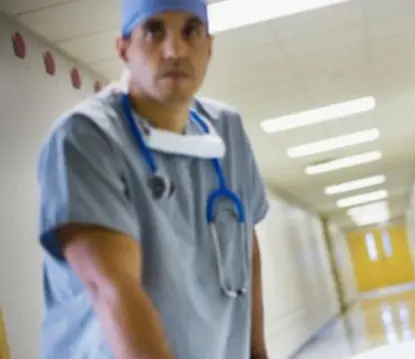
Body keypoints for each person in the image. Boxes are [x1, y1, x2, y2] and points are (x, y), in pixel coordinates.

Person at [36, 1, 270, 358]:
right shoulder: (86, 138)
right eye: (154, 31)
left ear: (209, 46)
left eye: (191, 31)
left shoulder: (227, 132)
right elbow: (112, 288)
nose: (174, 50)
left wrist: (257, 352)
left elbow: (245, 247)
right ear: (124, 49)